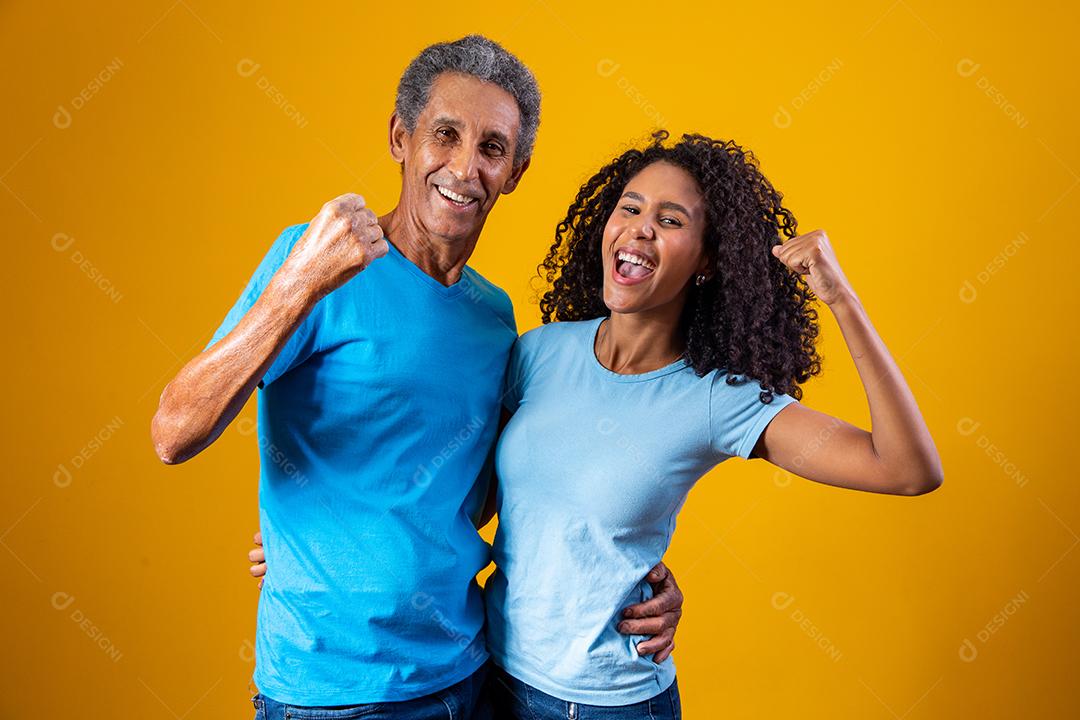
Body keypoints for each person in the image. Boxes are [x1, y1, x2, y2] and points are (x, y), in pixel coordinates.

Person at [250, 130, 943, 717]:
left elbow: (906, 470)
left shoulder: (719, 398)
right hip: (486, 678)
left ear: (706, 264)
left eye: (672, 221)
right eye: (630, 207)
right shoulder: (540, 352)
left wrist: (841, 298)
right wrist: (320, 527)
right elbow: (473, 493)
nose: (641, 227)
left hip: (605, 703)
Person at [150, 36, 682, 720]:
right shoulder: (313, 263)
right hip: (334, 695)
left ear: (516, 171)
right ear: (401, 138)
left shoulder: (494, 318)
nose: (464, 167)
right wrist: (299, 287)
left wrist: (631, 577)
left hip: (472, 675)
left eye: (492, 148)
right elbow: (174, 432)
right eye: (445, 135)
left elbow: (486, 491)